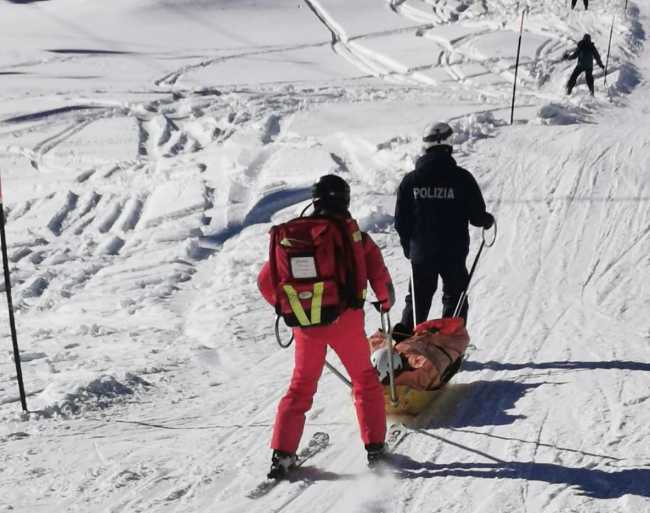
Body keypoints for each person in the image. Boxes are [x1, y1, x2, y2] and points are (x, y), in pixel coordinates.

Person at [258, 174, 395, 478]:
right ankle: (375, 449)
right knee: (364, 381)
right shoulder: (354, 235)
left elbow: (266, 281)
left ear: (315, 199)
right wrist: (385, 303)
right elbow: (380, 278)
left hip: (306, 325)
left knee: (300, 386)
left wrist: (291, 307)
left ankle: (282, 455)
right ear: (345, 199)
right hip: (346, 321)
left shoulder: (294, 235)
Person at [394, 122, 493, 331]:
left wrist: (409, 248)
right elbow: (477, 216)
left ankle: (405, 343)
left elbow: (401, 221)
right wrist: (487, 220)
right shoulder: (462, 178)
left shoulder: (411, 181)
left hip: (421, 253)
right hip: (453, 253)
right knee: (455, 298)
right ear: (449, 144)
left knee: (418, 299)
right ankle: (449, 343)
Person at [369, 317, 470, 391]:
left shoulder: (408, 364)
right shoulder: (416, 369)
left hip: (427, 345)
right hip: (435, 347)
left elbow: (373, 343)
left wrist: (388, 332)